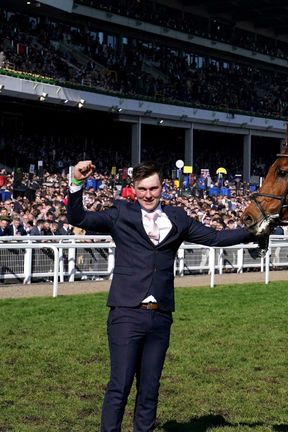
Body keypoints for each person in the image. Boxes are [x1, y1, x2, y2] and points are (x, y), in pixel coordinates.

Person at [66, 160, 256, 432]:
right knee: (119, 386)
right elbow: (78, 218)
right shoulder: (120, 213)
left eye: (153, 188)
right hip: (125, 314)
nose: (148, 194)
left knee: (150, 389)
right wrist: (76, 182)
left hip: (161, 316)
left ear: (162, 187)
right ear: (133, 189)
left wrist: (254, 232)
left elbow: (215, 237)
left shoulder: (177, 217)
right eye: (142, 189)